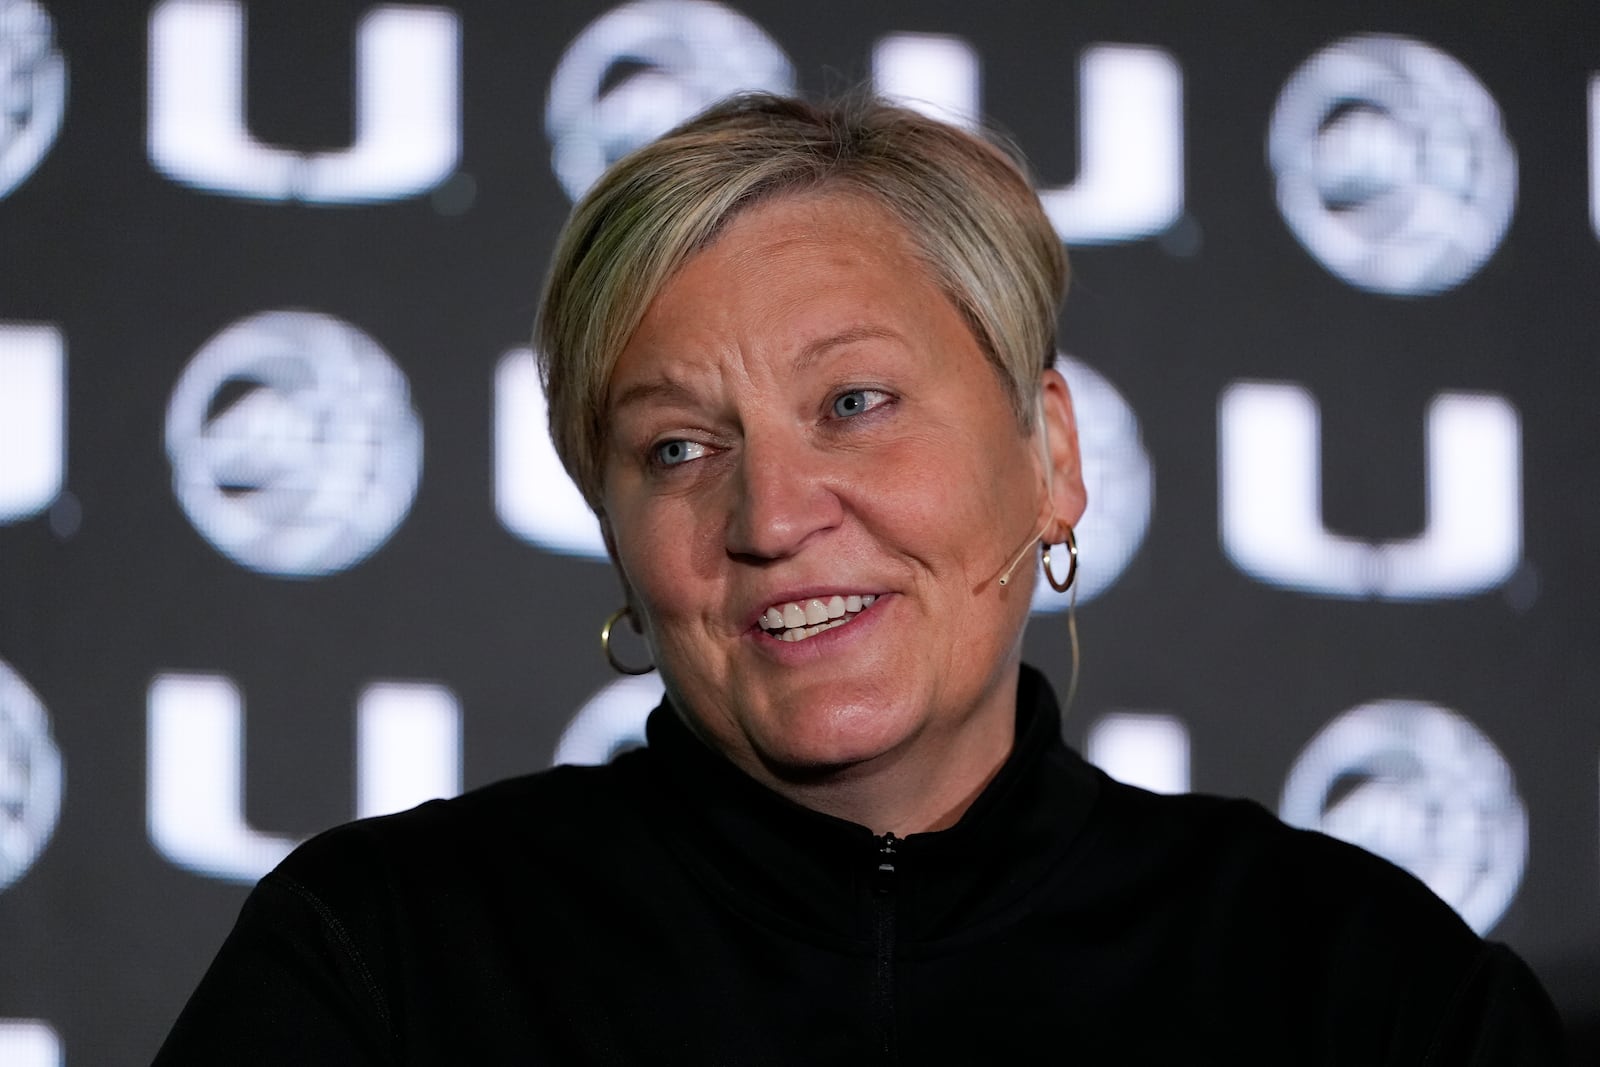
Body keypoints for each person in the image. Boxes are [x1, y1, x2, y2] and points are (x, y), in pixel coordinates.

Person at [154, 92, 1566, 1064]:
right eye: (680, 445)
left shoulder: (1357, 988)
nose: (771, 513)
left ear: (1051, 455)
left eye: (854, 404)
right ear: (614, 535)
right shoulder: (384, 968)